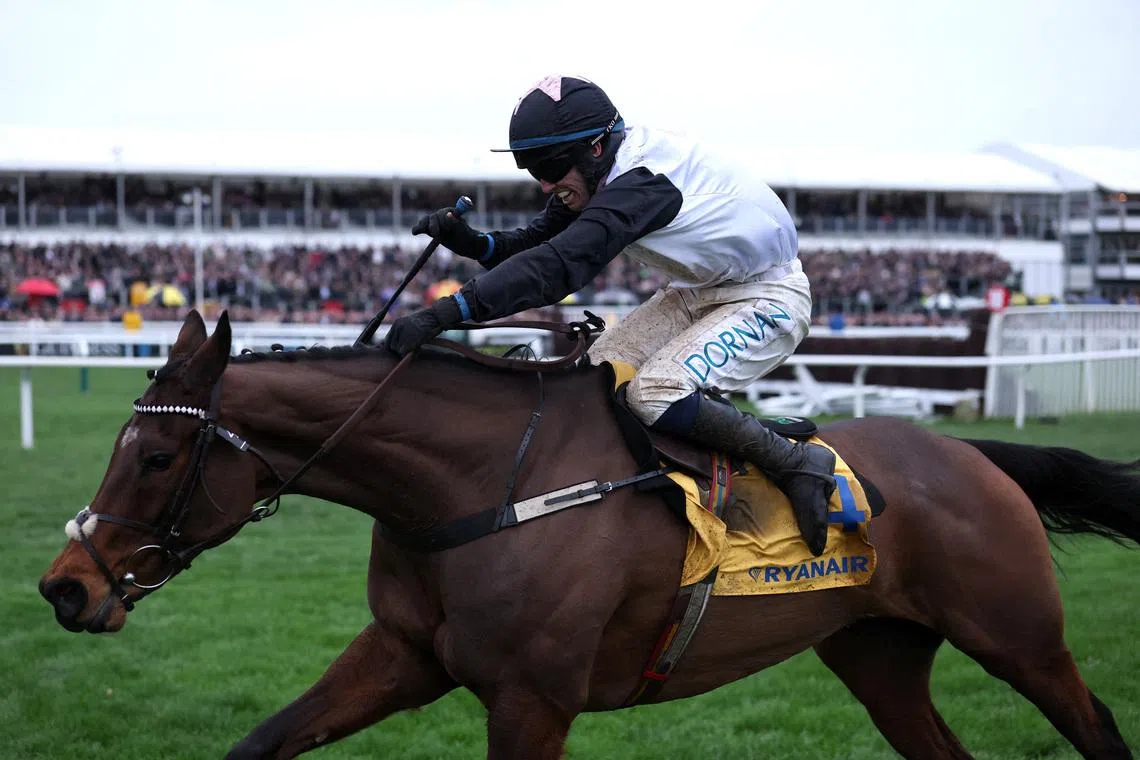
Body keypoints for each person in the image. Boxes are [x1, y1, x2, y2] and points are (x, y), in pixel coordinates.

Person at [386, 75, 836, 555]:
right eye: (531, 167)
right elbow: (543, 240)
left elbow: (561, 266)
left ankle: (794, 463)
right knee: (590, 379)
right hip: (696, 290)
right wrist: (475, 244)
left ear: (597, 147)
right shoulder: (601, 171)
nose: (543, 181)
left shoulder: (641, 183)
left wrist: (453, 310)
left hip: (768, 297)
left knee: (654, 394)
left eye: (551, 165)